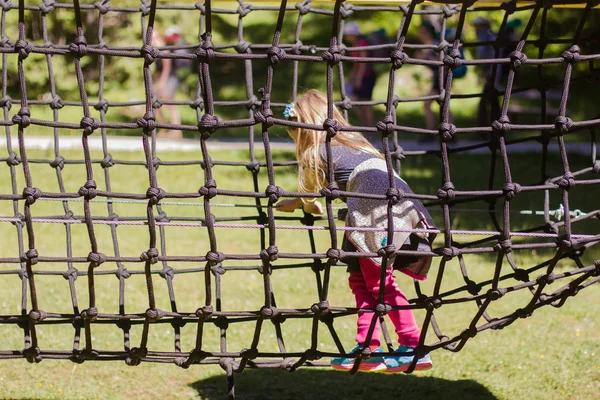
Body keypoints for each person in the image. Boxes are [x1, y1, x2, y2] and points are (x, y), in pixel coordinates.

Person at [276, 90, 436, 372]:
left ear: (301, 129)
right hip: (397, 207)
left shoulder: (316, 151)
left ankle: (413, 346)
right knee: (361, 280)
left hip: (375, 213)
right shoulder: (355, 143)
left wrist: (297, 204)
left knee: (379, 283)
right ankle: (368, 345)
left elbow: (313, 198)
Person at [155, 25, 189, 138]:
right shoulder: (159, 49)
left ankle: (176, 130)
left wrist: (162, 82)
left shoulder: (165, 49)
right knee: (156, 102)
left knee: (170, 103)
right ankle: (164, 127)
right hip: (166, 78)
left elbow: (167, 68)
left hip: (170, 78)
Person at [343, 22, 376, 127]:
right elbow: (356, 64)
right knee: (354, 101)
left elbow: (363, 63)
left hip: (366, 77)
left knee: (366, 104)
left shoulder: (362, 43)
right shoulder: (355, 44)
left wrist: (358, 79)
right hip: (360, 76)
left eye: (347, 34)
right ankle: (365, 126)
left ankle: (370, 128)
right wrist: (351, 76)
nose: (346, 37)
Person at [473, 17, 501, 126]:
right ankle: (493, 130)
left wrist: (487, 69)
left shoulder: (490, 37)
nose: (476, 28)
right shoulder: (483, 37)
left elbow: (494, 54)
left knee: (487, 102)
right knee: (491, 101)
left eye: (478, 25)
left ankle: (487, 130)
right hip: (489, 73)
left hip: (492, 73)